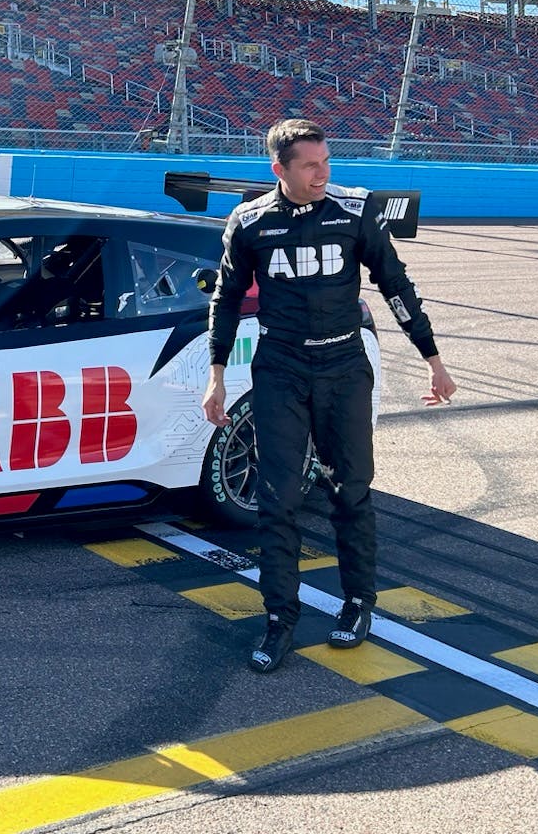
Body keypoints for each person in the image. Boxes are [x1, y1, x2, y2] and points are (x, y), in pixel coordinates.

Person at [201, 118, 457, 674]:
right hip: (281, 369)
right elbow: (224, 300)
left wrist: (432, 359)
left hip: (344, 367)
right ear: (280, 170)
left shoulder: (354, 211)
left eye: (326, 162)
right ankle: (280, 620)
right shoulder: (248, 222)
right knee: (278, 499)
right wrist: (217, 374)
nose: (323, 174)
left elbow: (396, 285)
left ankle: (358, 602)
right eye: (311, 166)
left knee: (350, 492)